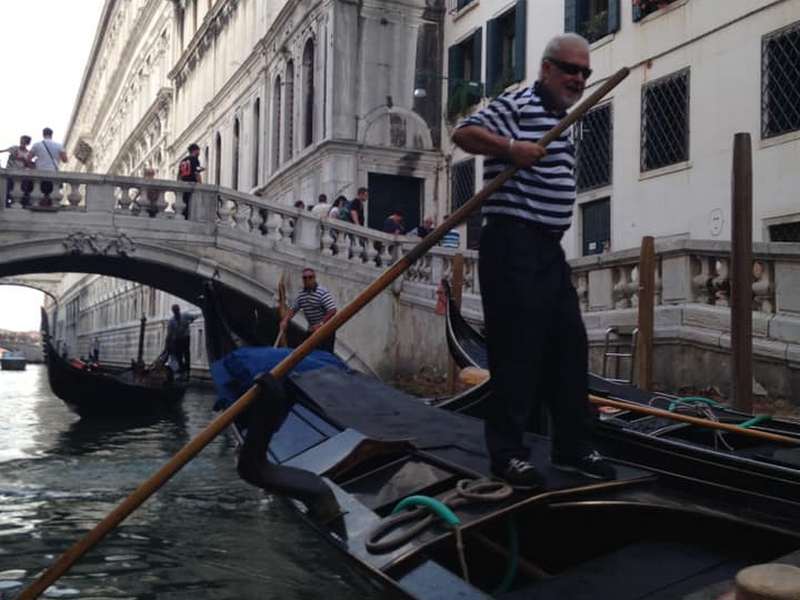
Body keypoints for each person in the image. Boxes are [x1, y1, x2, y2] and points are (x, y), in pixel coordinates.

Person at [451, 33, 615, 488]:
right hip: (511, 244)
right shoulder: (518, 103)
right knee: (517, 350)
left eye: (585, 72)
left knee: (568, 345)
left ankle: (572, 445)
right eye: (570, 69)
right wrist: (510, 149)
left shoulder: (562, 117)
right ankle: (507, 453)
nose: (578, 79)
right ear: (546, 68)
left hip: (547, 248)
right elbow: (462, 134)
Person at [279, 268, 337, 353]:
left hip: (326, 329)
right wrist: (285, 321)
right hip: (312, 329)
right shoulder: (301, 295)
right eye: (305, 278)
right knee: (308, 351)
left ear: (314, 278)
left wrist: (320, 324)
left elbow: (332, 310)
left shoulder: (322, 292)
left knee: (323, 353)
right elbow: (293, 309)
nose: (307, 280)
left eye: (310, 277)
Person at [29, 128, 68, 202]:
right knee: (51, 193)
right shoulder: (59, 145)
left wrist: (33, 165)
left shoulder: (37, 145)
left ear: (43, 134)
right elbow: (65, 160)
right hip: (53, 172)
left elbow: (28, 158)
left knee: (40, 193)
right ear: (51, 135)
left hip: (39, 172)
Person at [165, 304, 198, 378]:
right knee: (179, 356)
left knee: (186, 355)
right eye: (175, 311)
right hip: (177, 339)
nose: (176, 312)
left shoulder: (185, 315)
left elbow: (193, 317)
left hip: (185, 338)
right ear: (173, 311)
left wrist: (190, 322)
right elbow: (169, 333)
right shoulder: (171, 321)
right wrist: (167, 343)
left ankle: (186, 372)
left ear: (178, 310)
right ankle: (182, 370)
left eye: (177, 310)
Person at [1, 135, 33, 206]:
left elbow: (29, 164)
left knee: (19, 189)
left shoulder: (28, 153)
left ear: (27, 143)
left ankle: (19, 203)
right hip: (10, 172)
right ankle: (6, 203)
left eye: (24, 141)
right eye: (21, 140)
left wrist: (25, 161)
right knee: (7, 189)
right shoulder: (14, 148)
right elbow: (3, 151)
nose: (22, 142)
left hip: (20, 174)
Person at [177, 143, 203, 218]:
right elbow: (196, 172)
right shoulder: (195, 159)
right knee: (192, 204)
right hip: (192, 184)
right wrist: (200, 184)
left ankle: (184, 217)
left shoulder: (183, 160)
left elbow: (179, 174)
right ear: (195, 151)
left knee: (184, 203)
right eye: (198, 151)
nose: (199, 153)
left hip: (183, 184)